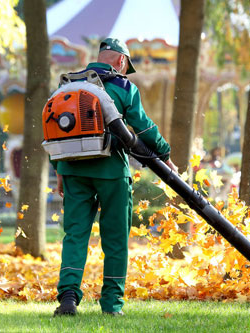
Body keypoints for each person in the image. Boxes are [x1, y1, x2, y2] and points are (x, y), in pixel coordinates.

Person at [52, 38, 177, 317]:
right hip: (111, 173)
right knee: (116, 239)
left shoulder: (67, 87)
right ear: (121, 61)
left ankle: (68, 297)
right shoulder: (123, 86)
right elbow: (143, 128)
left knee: (74, 236)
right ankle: (111, 305)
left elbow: (54, 132)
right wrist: (165, 155)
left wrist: (58, 170)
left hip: (72, 170)